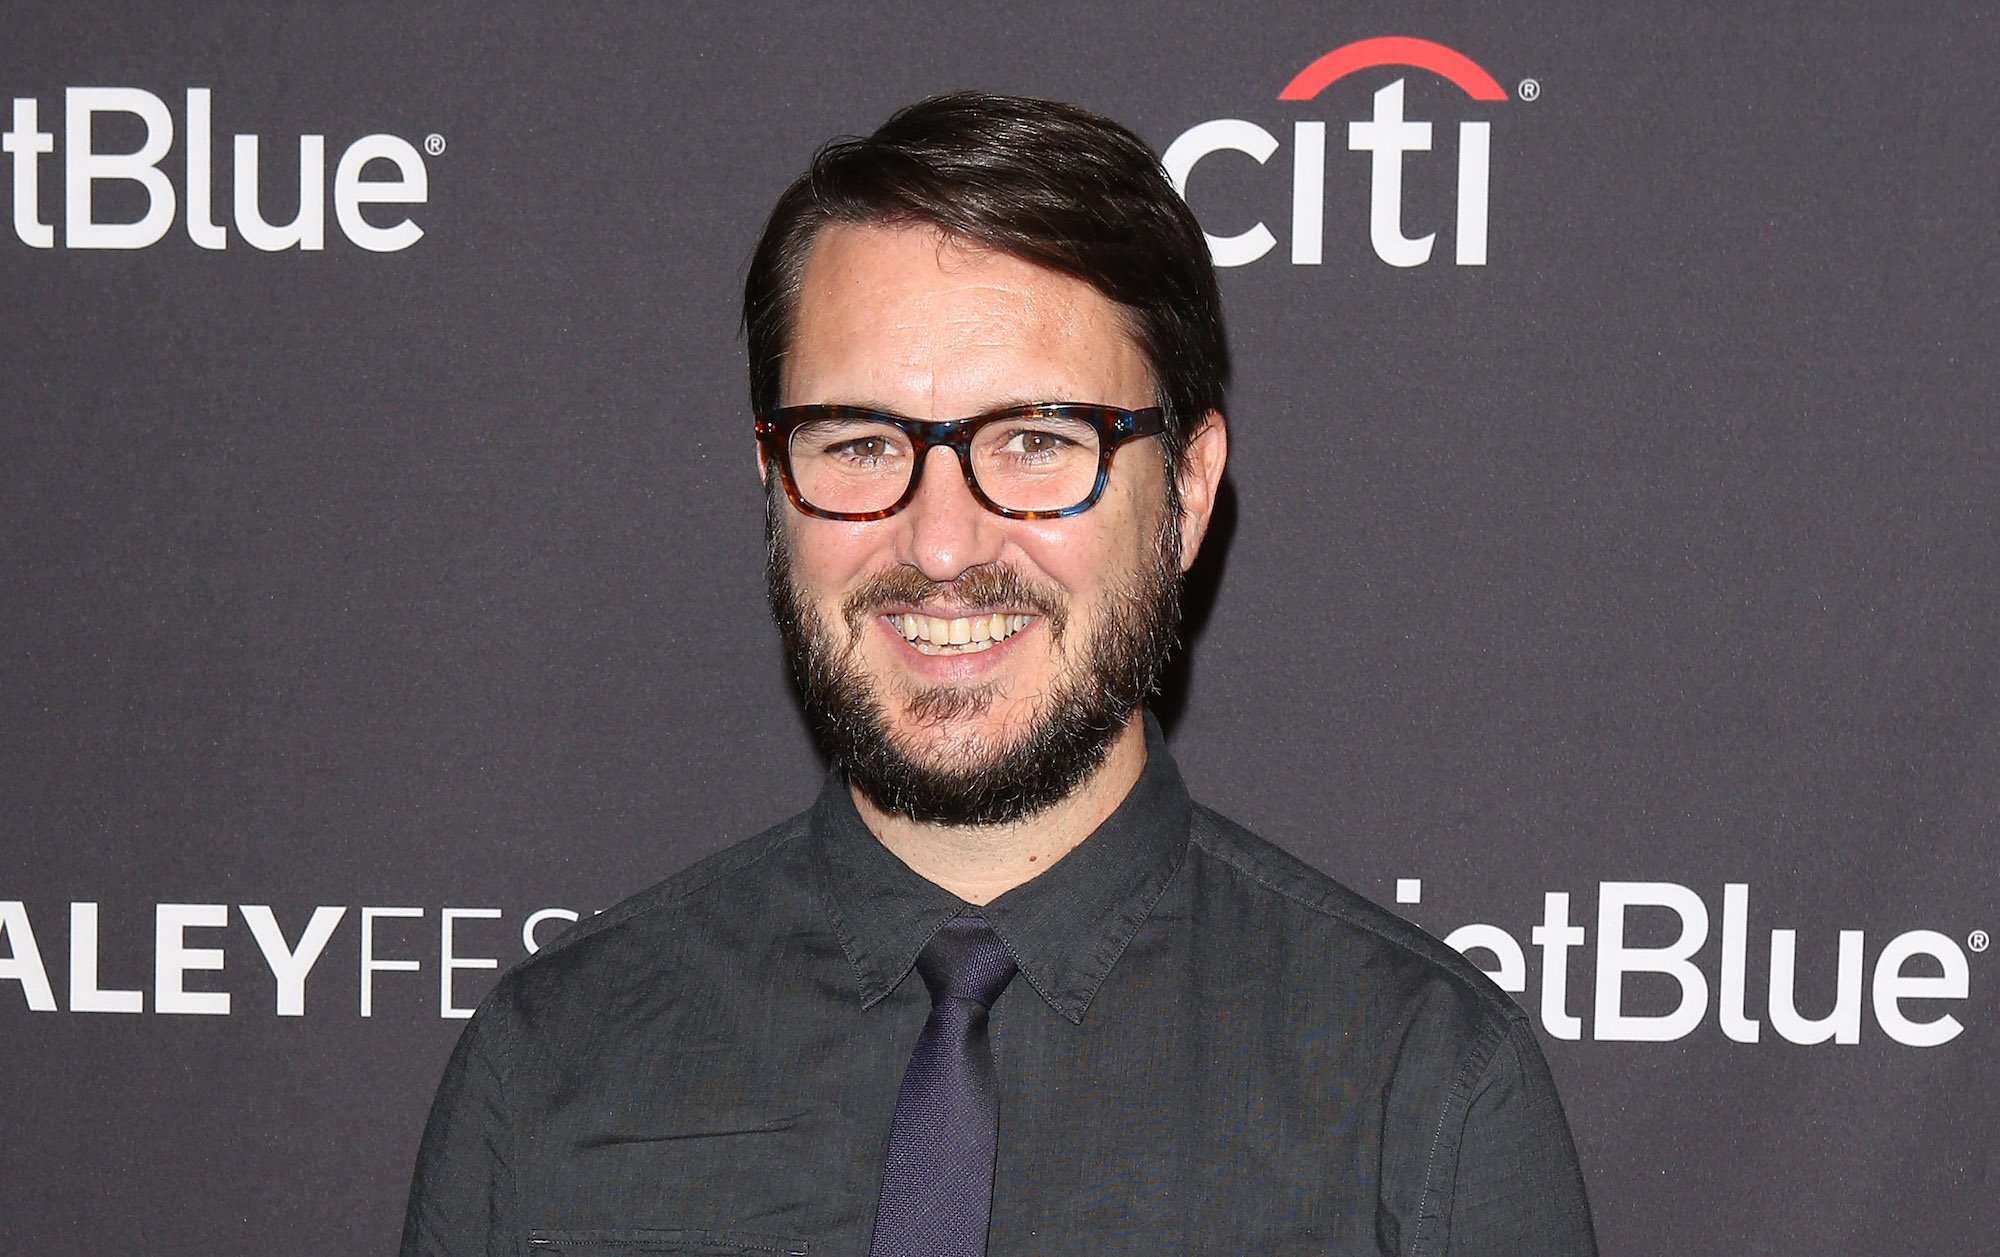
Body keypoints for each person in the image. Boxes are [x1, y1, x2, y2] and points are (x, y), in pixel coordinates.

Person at [401, 91, 1597, 1257]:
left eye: (1033, 443)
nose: (939, 546)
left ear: (1185, 490)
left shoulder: (1420, 1090)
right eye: (859, 444)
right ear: (770, 483)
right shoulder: (553, 1056)